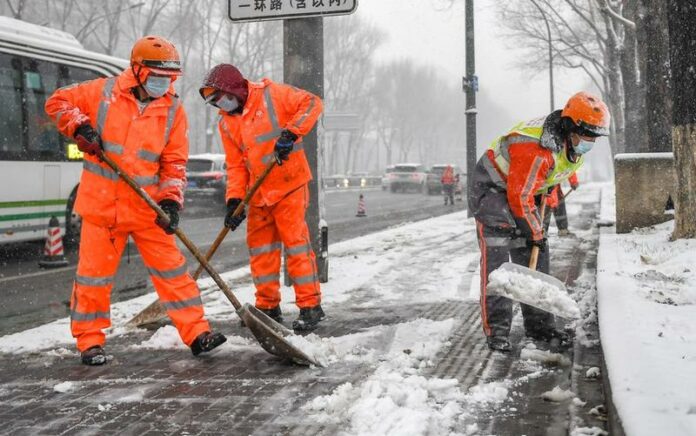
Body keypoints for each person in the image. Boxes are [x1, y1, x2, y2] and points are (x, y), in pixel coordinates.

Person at [45, 36, 226, 366]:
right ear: (138, 70)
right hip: (102, 208)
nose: (165, 83)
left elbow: (174, 163)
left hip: (148, 208)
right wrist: (80, 127)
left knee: (174, 274)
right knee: (93, 278)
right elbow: (57, 103)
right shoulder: (102, 93)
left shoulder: (172, 110)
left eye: (170, 78)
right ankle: (90, 342)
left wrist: (171, 202)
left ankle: (198, 334)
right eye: (159, 76)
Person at [467, 91, 610, 352]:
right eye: (588, 134)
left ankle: (540, 327)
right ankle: (497, 331)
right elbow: (518, 195)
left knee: (535, 257)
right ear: (571, 126)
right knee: (497, 267)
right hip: (492, 191)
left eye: (595, 136)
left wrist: (538, 227)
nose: (591, 141)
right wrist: (534, 229)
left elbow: (544, 182)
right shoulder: (536, 148)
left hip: (524, 192)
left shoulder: (570, 147)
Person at [199, 64, 325, 332]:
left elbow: (312, 103)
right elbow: (235, 165)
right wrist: (235, 200)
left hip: (289, 184)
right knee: (261, 252)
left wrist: (291, 132)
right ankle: (268, 306)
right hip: (258, 194)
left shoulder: (272, 95)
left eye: (220, 97)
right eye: (214, 102)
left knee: (296, 247)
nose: (219, 104)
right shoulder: (226, 122)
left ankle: (310, 306)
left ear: (232, 88)